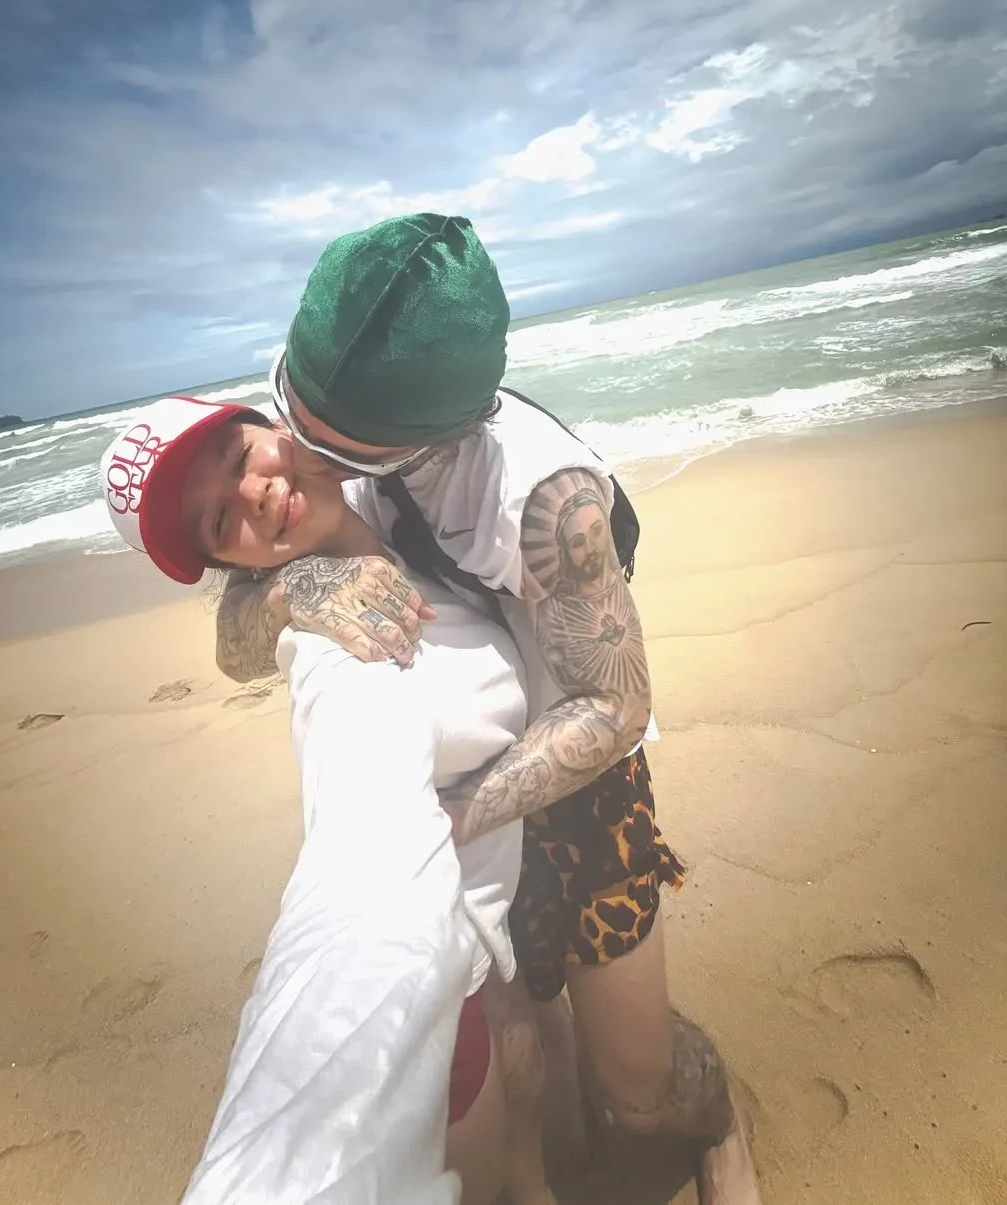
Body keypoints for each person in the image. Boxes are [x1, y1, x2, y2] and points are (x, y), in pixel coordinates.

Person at [215, 213, 762, 1204]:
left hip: (575, 774)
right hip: (460, 760)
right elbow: (233, 640)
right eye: (291, 415)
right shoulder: (318, 416)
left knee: (639, 1081)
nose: (297, 458)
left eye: (336, 448)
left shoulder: (542, 494)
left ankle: (720, 1124)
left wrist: (456, 816)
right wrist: (293, 588)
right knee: (519, 1052)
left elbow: (616, 704)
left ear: (438, 434)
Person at [100, 396, 554, 1205]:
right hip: (441, 994)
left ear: (277, 426)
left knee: (539, 1134)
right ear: (230, 562)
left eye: (239, 458)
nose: (254, 493)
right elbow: (361, 854)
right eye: (219, 521)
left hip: (508, 906)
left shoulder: (385, 488)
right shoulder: (343, 657)